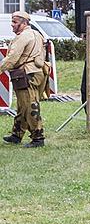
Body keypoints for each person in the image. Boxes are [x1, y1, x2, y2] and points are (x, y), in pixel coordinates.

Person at [2, 11, 48, 148]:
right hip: (37, 72)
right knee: (23, 106)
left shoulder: (22, 37)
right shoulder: (37, 34)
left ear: (24, 23)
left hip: (26, 74)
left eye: (15, 22)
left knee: (29, 106)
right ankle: (17, 134)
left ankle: (38, 137)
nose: (12, 25)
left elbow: (12, 58)